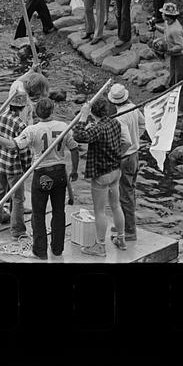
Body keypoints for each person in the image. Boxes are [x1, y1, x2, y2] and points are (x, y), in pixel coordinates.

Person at [0, 97, 80, 259]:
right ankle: (57, 249)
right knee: (59, 212)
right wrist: (74, 170)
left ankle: (40, 251)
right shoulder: (63, 127)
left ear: (37, 113)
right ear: (52, 111)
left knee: (38, 214)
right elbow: (75, 149)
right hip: (60, 173)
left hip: (42, 174)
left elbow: (12, 145)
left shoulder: (32, 130)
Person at [72, 96, 131, 256]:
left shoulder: (96, 129)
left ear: (93, 112)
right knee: (116, 206)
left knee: (99, 211)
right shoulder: (114, 123)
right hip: (115, 171)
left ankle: (100, 246)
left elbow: (78, 136)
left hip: (101, 174)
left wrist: (83, 116)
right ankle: (121, 239)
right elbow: (125, 143)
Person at [0, 91, 31, 238]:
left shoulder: (0, 117)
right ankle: (17, 231)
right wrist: (27, 166)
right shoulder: (21, 125)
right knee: (18, 198)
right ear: (23, 108)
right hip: (13, 166)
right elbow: (23, 151)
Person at [107, 83, 145, 243]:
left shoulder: (120, 117)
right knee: (128, 191)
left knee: (125, 195)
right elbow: (143, 124)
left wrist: (117, 154)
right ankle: (122, 223)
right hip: (134, 155)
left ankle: (129, 231)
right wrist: (138, 137)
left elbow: (125, 141)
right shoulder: (133, 108)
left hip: (125, 157)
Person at [156, 2, 183, 115]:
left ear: (167, 15)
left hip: (180, 57)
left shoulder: (176, 29)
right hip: (174, 57)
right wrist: (154, 27)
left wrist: (168, 51)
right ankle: (173, 103)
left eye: (163, 13)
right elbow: (165, 31)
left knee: (180, 83)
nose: (162, 15)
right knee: (172, 80)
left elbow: (180, 46)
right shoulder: (168, 23)